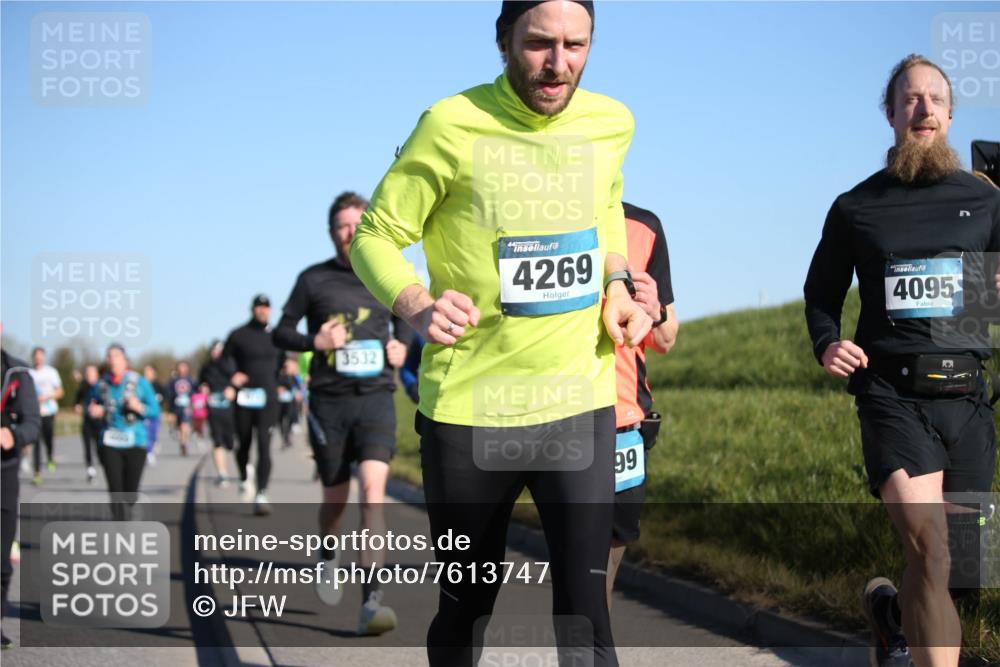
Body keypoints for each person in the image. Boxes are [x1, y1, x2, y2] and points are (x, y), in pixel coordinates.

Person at [350, 2, 650, 663]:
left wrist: (620, 284)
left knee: (586, 607)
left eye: (577, 45)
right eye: (540, 44)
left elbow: (605, 212)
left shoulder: (611, 122)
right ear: (503, 41)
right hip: (471, 410)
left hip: (579, 400)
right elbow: (375, 234)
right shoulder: (451, 124)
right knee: (466, 607)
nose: (559, 63)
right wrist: (416, 302)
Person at [804, 55, 1000, 667]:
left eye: (935, 99)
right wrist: (828, 343)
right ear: (890, 114)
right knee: (932, 553)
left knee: (962, 572)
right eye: (909, 99)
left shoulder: (986, 200)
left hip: (968, 400)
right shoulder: (857, 206)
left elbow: (989, 296)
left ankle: (892, 618)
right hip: (892, 396)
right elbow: (822, 293)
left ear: (948, 114)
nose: (923, 109)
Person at [274, 191, 410, 636]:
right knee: (336, 502)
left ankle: (371, 600)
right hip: (329, 405)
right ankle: (328, 550)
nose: (350, 233)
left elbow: (407, 319)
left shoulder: (386, 274)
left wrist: (400, 346)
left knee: (373, 495)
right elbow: (282, 332)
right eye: (341, 226)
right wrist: (315, 343)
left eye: (356, 223)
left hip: (375, 400)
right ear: (331, 232)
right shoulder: (312, 280)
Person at [606, 203, 678, 608]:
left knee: (610, 543)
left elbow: (666, 339)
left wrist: (657, 311)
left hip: (623, 418)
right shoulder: (539, 213)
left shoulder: (644, 226)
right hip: (551, 412)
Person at [223, 294, 283, 516]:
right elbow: (224, 360)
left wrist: (282, 383)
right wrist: (233, 375)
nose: (262, 311)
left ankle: (262, 493)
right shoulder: (238, 335)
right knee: (244, 444)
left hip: (268, 398)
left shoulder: (276, 336)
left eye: (266, 307)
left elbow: (283, 364)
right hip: (244, 398)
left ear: (270, 310)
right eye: (259, 307)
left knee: (265, 445)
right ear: (252, 309)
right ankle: (243, 475)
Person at [87, 344, 161, 521]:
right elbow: (90, 405)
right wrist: (94, 411)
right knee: (115, 489)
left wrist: (139, 406)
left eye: (116, 356)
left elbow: (155, 410)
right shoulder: (101, 384)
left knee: (130, 491)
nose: (112, 360)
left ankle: (127, 511)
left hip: (135, 441)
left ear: (125, 360)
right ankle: (121, 527)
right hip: (109, 441)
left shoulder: (139, 382)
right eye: (109, 356)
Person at [1, 328, 40, 649]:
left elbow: (32, 421)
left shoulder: (16, 373)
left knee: (1, 556)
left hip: (4, 470)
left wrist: (15, 435)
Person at [199, 340, 236, 486]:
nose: (216, 352)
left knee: (231, 442)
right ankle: (222, 474)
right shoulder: (206, 367)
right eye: (213, 349)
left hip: (230, 407)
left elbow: (241, 381)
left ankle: (245, 468)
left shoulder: (232, 364)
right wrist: (203, 388)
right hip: (213, 407)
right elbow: (200, 382)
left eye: (218, 350)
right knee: (217, 440)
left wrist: (233, 390)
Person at [28, 346, 63, 485]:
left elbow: (61, 392)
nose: (38, 358)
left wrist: (46, 396)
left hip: (49, 411)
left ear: (43, 357)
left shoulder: (51, 372)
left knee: (48, 438)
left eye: (40, 355)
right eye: (36, 356)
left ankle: (50, 456)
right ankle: (37, 473)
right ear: (33, 357)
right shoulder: (29, 372)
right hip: (34, 413)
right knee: (35, 442)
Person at [74, 364, 101, 482]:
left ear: (96, 375)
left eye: (91, 374)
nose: (89, 376)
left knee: (99, 446)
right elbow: (76, 401)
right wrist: (77, 406)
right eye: (87, 374)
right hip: (87, 421)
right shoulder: (83, 387)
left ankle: (103, 462)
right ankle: (90, 468)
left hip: (100, 422)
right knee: (87, 445)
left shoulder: (102, 387)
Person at [166, 361, 195, 456]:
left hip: (187, 407)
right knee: (179, 427)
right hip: (176, 407)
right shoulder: (173, 380)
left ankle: (184, 443)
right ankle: (182, 442)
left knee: (184, 425)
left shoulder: (191, 380)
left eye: (184, 367)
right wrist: (170, 411)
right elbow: (169, 396)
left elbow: (194, 393)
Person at [276, 357, 302, 449]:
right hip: (280, 401)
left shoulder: (293, 376)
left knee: (289, 418)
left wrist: (298, 392)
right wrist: (278, 389)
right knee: (280, 420)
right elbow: (275, 384)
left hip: (290, 401)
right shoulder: (279, 375)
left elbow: (299, 386)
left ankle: (287, 437)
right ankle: (284, 436)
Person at [142, 365, 165, 464]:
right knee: (145, 432)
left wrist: (160, 399)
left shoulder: (157, 384)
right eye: (145, 372)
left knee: (153, 433)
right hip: (144, 413)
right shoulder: (141, 384)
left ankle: (153, 444)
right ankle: (148, 452)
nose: (147, 374)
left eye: (149, 372)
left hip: (155, 413)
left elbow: (165, 395)